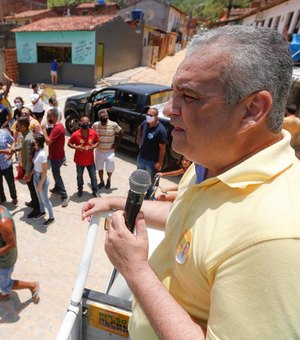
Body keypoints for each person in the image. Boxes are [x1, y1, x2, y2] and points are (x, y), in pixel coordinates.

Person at [82, 26, 300, 339]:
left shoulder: (276, 236)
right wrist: (115, 202)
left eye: (189, 96)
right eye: (173, 93)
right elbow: (190, 221)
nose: (168, 110)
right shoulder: (210, 162)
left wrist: (135, 269)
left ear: (252, 110)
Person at [0, 205, 39, 303]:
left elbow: (11, 244)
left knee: (6, 284)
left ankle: (32, 286)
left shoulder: (3, 222)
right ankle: (5, 293)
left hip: (5, 260)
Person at [137, 107, 167, 198]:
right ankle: (139, 191)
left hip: (151, 161)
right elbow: (139, 128)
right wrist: (139, 141)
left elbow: (162, 148)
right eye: (147, 114)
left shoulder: (161, 130)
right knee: (140, 176)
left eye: (151, 115)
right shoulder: (145, 123)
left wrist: (159, 162)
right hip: (141, 157)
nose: (148, 116)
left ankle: (149, 194)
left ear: (156, 117)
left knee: (150, 180)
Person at [42, 108, 70, 208]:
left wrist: (44, 130)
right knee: (55, 173)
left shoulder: (57, 128)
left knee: (57, 175)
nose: (47, 119)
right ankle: (57, 188)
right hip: (56, 155)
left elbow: (48, 141)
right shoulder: (56, 126)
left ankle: (64, 195)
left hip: (57, 157)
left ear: (53, 116)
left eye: (48, 117)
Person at [15, 117, 41, 218]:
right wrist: (14, 149)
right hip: (27, 167)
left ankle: (37, 209)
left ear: (23, 126)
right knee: (31, 189)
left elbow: (29, 157)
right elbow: (23, 147)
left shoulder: (28, 138)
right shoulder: (27, 135)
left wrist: (27, 173)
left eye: (18, 125)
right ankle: (33, 202)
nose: (17, 127)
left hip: (29, 169)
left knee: (33, 189)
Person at [68, 116, 99, 197]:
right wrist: (76, 147)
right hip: (79, 161)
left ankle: (95, 191)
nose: (85, 124)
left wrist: (93, 146)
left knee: (93, 176)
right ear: (80, 123)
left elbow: (98, 141)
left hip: (90, 161)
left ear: (89, 123)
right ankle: (80, 189)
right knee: (79, 176)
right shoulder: (75, 134)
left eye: (87, 122)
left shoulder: (93, 133)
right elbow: (69, 143)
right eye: (83, 122)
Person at [92, 109, 123, 189]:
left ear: (108, 117)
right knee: (99, 168)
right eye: (102, 118)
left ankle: (109, 180)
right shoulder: (95, 125)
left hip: (110, 151)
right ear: (99, 118)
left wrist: (117, 143)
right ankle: (101, 181)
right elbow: (91, 134)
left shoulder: (114, 124)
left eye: (105, 118)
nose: (104, 120)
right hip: (99, 151)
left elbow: (121, 132)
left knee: (110, 168)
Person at [32, 134, 55, 226]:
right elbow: (36, 166)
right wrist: (30, 174)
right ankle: (42, 212)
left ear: (38, 143)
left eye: (34, 141)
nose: (33, 143)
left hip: (42, 179)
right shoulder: (37, 151)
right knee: (39, 197)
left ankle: (51, 217)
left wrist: (40, 184)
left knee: (45, 199)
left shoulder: (42, 155)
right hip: (36, 177)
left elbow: (45, 172)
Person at [0, 128, 18, 205]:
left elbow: (13, 141)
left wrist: (11, 152)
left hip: (6, 164)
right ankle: (2, 198)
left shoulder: (4, 133)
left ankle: (14, 197)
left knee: (11, 183)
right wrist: (6, 151)